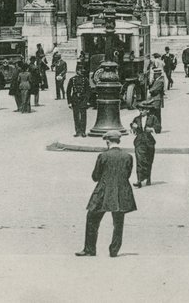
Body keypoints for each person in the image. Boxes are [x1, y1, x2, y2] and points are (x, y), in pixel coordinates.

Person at [76, 130, 136, 258]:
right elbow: (128, 174)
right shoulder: (128, 156)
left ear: (108, 141)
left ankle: (90, 249)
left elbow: (95, 176)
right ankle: (114, 250)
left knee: (92, 217)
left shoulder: (103, 156)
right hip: (121, 192)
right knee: (118, 222)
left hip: (103, 192)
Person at [130, 110, 157, 188]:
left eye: (142, 110)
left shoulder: (152, 118)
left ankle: (148, 177)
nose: (141, 111)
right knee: (139, 160)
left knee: (149, 160)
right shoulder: (137, 119)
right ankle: (139, 180)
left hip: (149, 142)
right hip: (139, 141)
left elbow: (158, 128)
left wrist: (152, 129)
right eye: (140, 110)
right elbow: (133, 129)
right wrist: (133, 128)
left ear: (147, 110)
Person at [66, 63, 90, 137]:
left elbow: (88, 91)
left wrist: (87, 100)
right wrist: (69, 102)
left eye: (82, 70)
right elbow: (68, 91)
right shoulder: (72, 79)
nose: (81, 72)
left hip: (83, 99)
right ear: (77, 71)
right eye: (80, 70)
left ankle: (83, 131)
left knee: (83, 116)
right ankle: (77, 131)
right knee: (76, 116)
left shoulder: (85, 79)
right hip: (75, 99)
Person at [143, 65, 166, 133]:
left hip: (156, 99)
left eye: (155, 74)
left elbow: (153, 90)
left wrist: (150, 90)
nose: (154, 75)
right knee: (154, 114)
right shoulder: (157, 80)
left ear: (158, 74)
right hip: (154, 99)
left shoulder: (160, 81)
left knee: (156, 114)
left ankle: (157, 128)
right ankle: (155, 127)